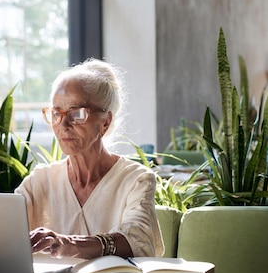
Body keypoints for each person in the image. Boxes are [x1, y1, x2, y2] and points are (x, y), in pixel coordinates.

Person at [15, 58, 164, 260]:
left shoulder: (135, 180)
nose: (63, 124)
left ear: (105, 122)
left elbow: (137, 240)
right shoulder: (39, 181)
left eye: (76, 113)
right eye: (56, 113)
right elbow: (2, 232)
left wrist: (68, 243)